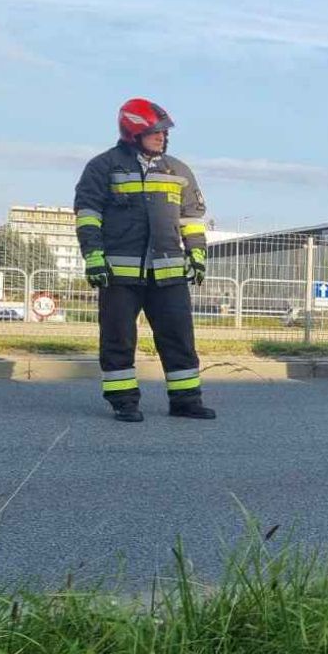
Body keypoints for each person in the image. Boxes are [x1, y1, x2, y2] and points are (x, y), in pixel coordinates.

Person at [74, 98, 215, 422]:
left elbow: (191, 218)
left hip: (168, 273)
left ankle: (186, 401)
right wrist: (94, 256)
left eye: (164, 132)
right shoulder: (103, 167)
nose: (161, 137)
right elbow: (88, 215)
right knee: (118, 338)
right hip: (118, 274)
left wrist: (196, 253)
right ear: (132, 132)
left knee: (179, 337)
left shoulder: (178, 170)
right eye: (154, 132)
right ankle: (124, 401)